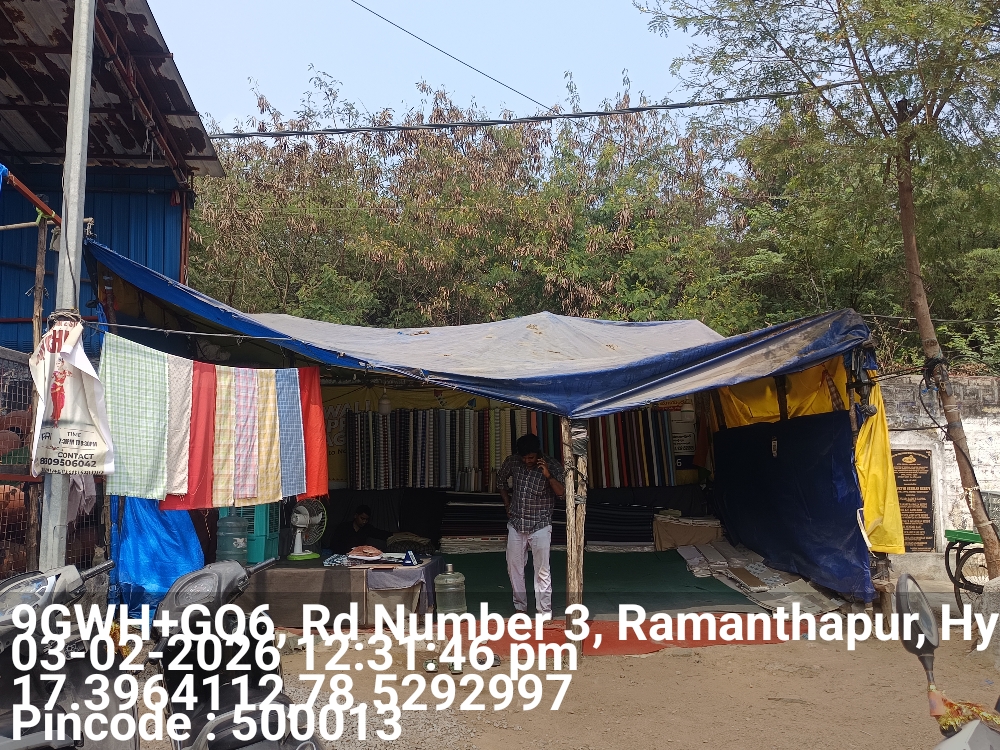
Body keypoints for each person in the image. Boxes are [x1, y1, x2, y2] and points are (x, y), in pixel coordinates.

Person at [497, 433, 565, 615]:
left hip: (540, 524)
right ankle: (520, 607)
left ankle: (544, 611)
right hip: (516, 523)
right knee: (514, 568)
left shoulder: (552, 465)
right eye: (524, 458)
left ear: (538, 454)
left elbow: (562, 493)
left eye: (531, 457)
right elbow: (500, 480)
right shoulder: (512, 461)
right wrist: (507, 503)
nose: (527, 461)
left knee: (542, 570)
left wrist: (548, 476)